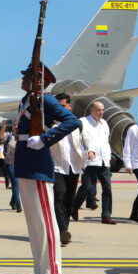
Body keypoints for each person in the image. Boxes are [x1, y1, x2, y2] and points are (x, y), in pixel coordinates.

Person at [15, 64, 79, 274]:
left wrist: (46, 139)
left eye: (27, 77)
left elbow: (73, 121)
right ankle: (40, 270)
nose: (22, 79)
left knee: (46, 222)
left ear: (39, 81)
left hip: (38, 165)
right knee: (34, 223)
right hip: (24, 164)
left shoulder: (47, 100)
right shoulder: (26, 101)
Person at [50, 93, 87, 245]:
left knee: (68, 200)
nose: (60, 109)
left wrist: (89, 150)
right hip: (57, 166)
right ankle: (62, 230)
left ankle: (64, 230)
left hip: (74, 166)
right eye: (57, 106)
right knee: (59, 196)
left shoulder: (77, 124)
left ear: (69, 107)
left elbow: (85, 139)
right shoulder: (50, 124)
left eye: (63, 106)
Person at [72, 101, 116, 224]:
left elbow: (106, 142)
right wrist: (86, 151)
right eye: (98, 110)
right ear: (92, 110)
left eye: (102, 110)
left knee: (107, 188)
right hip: (90, 161)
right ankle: (74, 207)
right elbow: (81, 139)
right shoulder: (83, 121)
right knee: (86, 187)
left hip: (103, 160)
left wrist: (108, 159)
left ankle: (106, 216)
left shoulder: (104, 123)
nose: (101, 112)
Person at [0, 119, 21, 212]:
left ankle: (13, 202)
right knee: (15, 183)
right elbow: (0, 137)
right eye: (14, 125)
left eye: (17, 125)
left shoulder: (22, 136)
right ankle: (18, 204)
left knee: (18, 184)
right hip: (9, 164)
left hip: (20, 164)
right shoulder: (9, 135)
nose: (16, 126)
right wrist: (3, 127)